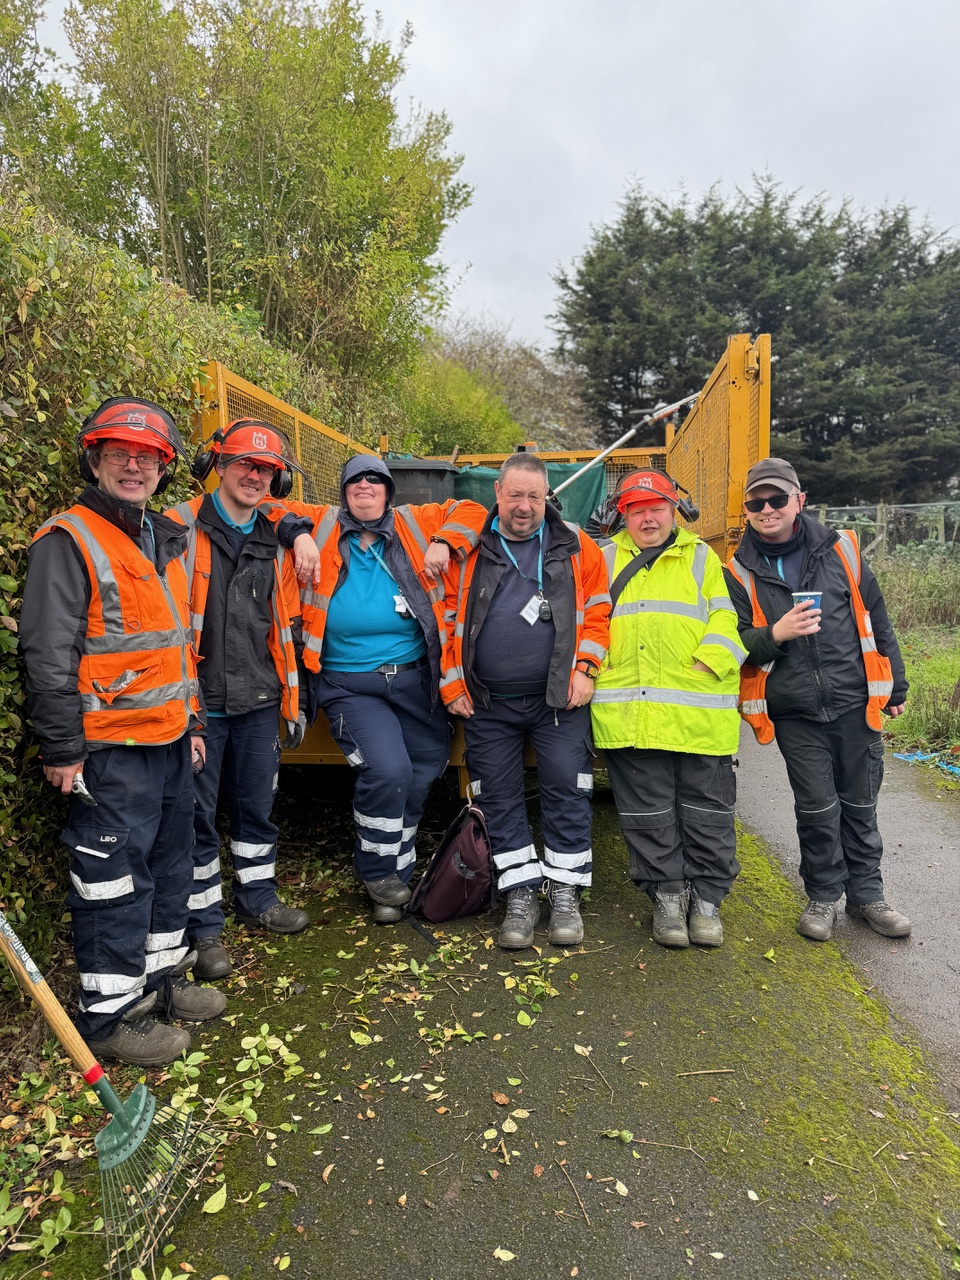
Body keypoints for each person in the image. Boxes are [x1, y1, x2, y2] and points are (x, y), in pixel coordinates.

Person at [19, 398, 226, 1066]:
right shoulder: (69, 539)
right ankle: (108, 1016)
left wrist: (193, 722)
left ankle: (158, 986)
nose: (133, 467)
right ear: (95, 461)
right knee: (113, 880)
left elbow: (176, 647)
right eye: (119, 455)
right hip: (110, 752)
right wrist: (62, 747)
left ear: (163, 468)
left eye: (146, 458)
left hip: (169, 740)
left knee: (169, 867)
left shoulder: (159, 537)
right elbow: (47, 652)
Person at [265, 455, 487, 923]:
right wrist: (298, 534)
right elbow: (262, 503)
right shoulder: (322, 524)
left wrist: (444, 541)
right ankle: (378, 871)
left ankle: (396, 872)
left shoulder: (415, 522)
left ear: (388, 490)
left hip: (415, 678)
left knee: (422, 770)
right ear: (343, 491)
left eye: (374, 479)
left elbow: (472, 509)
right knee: (388, 770)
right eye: (355, 480)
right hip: (350, 684)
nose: (364, 485)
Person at [724, 457, 911, 942]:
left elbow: (876, 617)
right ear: (747, 510)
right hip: (794, 712)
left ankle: (868, 897)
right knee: (816, 809)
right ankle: (824, 895)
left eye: (777, 499)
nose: (767, 509)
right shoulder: (738, 570)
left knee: (860, 804)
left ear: (799, 500)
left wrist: (896, 685)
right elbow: (736, 642)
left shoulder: (842, 549)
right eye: (756, 503)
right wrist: (776, 633)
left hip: (853, 702)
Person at [441, 452, 610, 950]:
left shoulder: (574, 544)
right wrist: (452, 683)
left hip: (558, 699)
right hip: (487, 702)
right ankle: (519, 892)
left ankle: (565, 892)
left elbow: (598, 610)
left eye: (534, 496)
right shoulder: (471, 545)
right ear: (497, 493)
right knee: (497, 795)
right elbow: (444, 616)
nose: (524, 506)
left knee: (568, 788)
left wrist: (586, 669)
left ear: (546, 497)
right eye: (515, 495)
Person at [166, 420, 311, 982]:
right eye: (245, 464)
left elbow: (286, 627)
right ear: (218, 466)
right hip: (198, 705)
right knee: (195, 818)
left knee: (256, 809)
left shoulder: (277, 537)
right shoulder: (177, 527)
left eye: (266, 469)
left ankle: (258, 899)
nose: (255, 476)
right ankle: (204, 928)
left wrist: (299, 531)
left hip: (259, 700)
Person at [590, 470, 745, 948]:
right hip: (629, 713)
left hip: (697, 712)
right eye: (637, 511)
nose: (648, 519)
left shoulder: (702, 558)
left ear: (674, 512)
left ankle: (708, 902)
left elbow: (727, 617)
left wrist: (710, 661)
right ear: (623, 515)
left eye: (656, 509)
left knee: (707, 814)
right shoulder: (603, 558)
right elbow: (587, 621)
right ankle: (668, 899)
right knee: (647, 815)